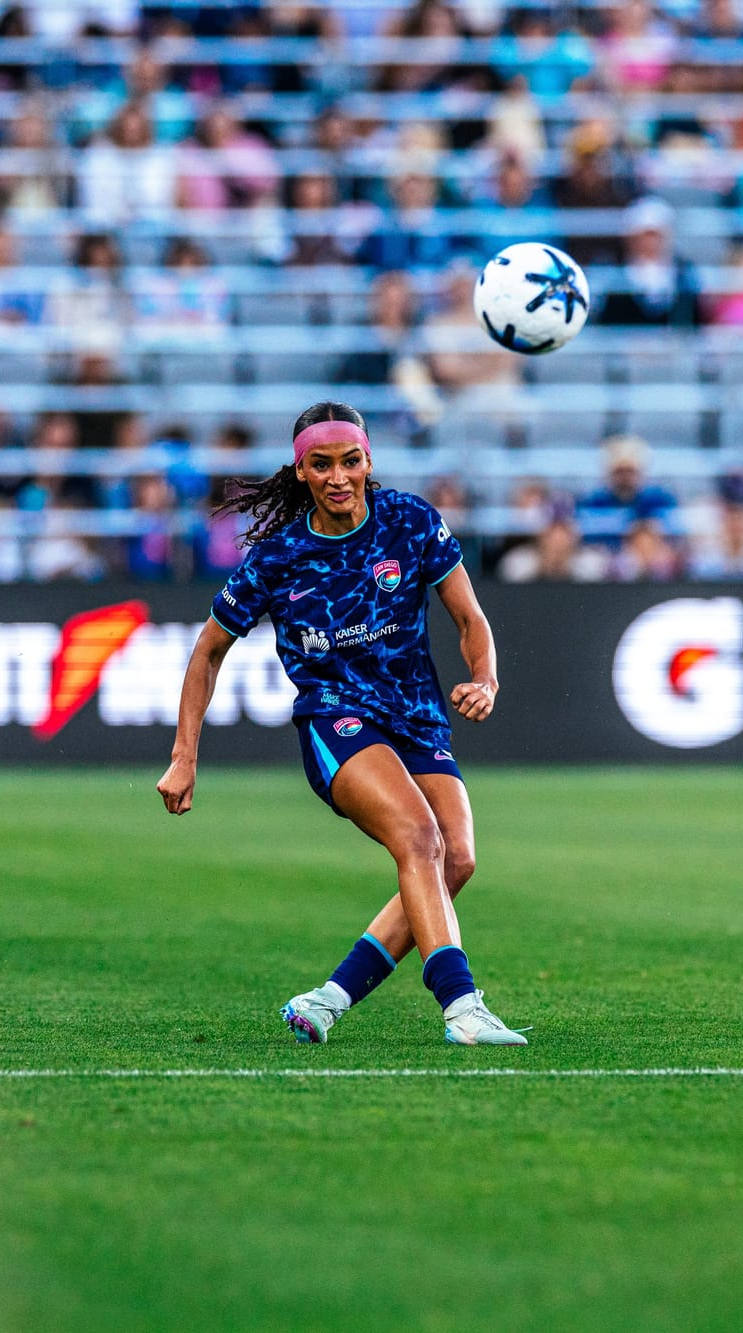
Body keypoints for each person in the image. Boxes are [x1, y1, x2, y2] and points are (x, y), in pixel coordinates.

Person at [157, 402, 526, 1047]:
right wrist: (184, 755)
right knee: (420, 838)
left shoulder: (411, 521)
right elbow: (208, 651)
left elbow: (470, 618)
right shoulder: (279, 556)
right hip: (337, 719)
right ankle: (462, 1007)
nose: (338, 477)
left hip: (416, 716)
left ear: (368, 461)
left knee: (457, 858)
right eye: (321, 464)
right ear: (300, 471)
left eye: (350, 461)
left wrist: (485, 678)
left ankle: (327, 1000)